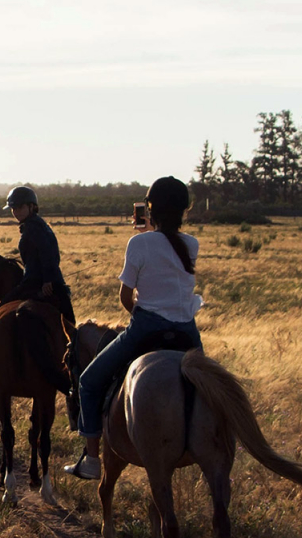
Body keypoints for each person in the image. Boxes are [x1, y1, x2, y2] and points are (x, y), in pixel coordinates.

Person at [63, 176, 203, 479]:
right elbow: (168, 245)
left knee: (88, 382)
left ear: (149, 210)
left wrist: (141, 315)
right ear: (184, 209)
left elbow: (126, 297)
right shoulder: (191, 243)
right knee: (209, 384)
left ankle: (90, 460)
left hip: (146, 328)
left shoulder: (138, 242)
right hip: (187, 331)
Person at [0, 185, 75, 366]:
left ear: (32, 206)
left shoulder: (34, 228)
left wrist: (47, 280)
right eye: (13, 208)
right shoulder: (36, 225)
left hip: (35, 281)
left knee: (4, 305)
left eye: (19, 207)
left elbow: (47, 254)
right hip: (46, 279)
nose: (16, 211)